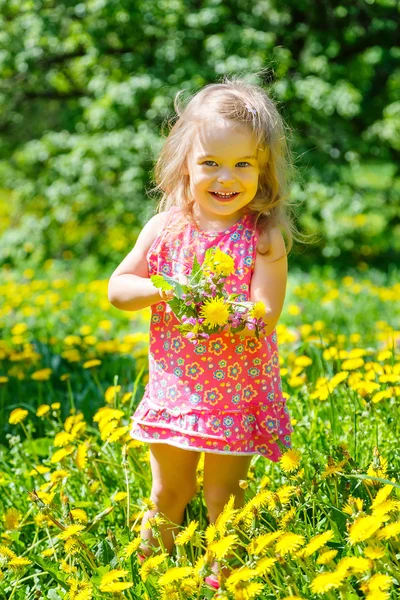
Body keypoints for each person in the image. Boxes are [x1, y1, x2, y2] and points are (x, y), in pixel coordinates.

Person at [108, 76, 299, 590]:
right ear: (184, 166)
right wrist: (164, 289)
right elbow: (119, 288)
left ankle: (227, 578)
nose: (225, 177)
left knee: (224, 498)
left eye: (242, 164)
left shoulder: (263, 237)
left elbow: (267, 311)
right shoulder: (164, 228)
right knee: (169, 493)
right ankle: (147, 575)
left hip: (235, 393)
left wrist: (224, 310)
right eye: (210, 163)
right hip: (175, 391)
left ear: (263, 172)